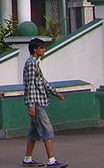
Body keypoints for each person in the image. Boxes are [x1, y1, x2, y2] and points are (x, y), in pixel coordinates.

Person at [22, 38, 67, 167]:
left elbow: (42, 81)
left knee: (34, 132)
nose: (44, 50)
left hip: (39, 101)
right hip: (36, 102)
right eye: (41, 48)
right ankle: (51, 160)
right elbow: (30, 85)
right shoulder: (31, 64)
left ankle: (27, 158)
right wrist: (31, 105)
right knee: (47, 129)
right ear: (35, 49)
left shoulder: (35, 63)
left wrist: (55, 93)